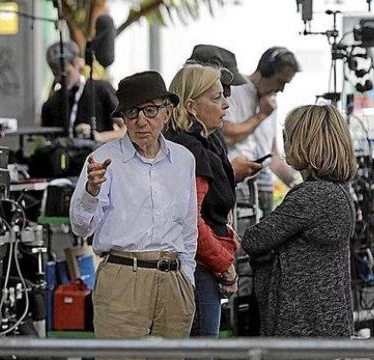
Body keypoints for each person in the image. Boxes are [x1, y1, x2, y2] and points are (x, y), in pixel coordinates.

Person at [69, 71, 197, 339]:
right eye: (131, 113)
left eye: (150, 111)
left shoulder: (184, 159)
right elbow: (80, 228)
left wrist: (187, 276)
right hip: (123, 276)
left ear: (167, 112)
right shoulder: (103, 159)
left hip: (173, 279)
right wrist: (92, 191)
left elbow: (188, 226)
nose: (141, 121)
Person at [241, 105, 356, 337]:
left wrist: (268, 250)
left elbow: (254, 240)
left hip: (300, 324)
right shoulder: (340, 192)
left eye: (288, 136)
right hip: (330, 320)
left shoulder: (309, 196)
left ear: (302, 142)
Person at [166, 64, 240, 337]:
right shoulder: (189, 147)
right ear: (191, 106)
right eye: (217, 97)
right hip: (199, 268)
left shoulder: (206, 141)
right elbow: (192, 221)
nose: (226, 104)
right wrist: (224, 265)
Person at [222, 46, 301, 217]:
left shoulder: (269, 102)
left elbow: (272, 155)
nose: (281, 89)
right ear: (266, 70)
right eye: (281, 81)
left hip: (263, 187)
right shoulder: (235, 90)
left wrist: (296, 185)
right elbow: (228, 135)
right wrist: (261, 115)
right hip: (237, 183)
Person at [186, 44, 262, 183]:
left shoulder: (211, 134)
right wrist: (231, 172)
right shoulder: (182, 141)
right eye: (217, 93)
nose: (228, 93)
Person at [41, 41, 124, 142]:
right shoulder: (51, 104)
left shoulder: (101, 89)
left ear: (77, 63)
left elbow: (127, 129)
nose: (60, 79)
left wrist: (99, 136)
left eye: (67, 73)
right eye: (56, 74)